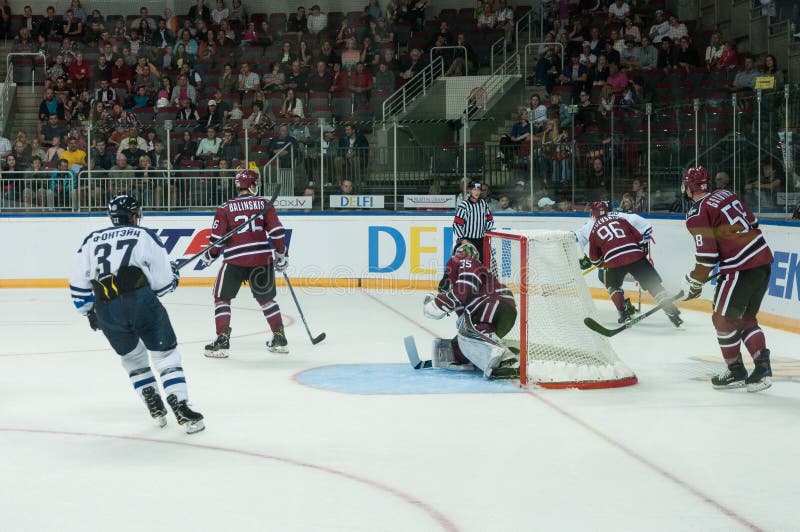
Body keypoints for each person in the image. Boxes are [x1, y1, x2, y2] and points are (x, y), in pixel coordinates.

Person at [68, 195, 204, 433]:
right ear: (134, 216)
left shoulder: (91, 240)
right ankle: (180, 405)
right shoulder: (143, 235)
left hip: (106, 309)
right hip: (140, 302)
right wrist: (174, 276)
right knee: (165, 355)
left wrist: (89, 312)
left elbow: (78, 284)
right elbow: (163, 284)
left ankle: (154, 405)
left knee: (133, 359)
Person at [681, 167, 774, 392]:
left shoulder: (697, 212)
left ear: (689, 187)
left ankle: (736, 371)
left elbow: (707, 256)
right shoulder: (726, 194)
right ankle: (761, 369)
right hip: (762, 260)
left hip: (740, 267)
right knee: (745, 318)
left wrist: (695, 281)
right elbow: (754, 223)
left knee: (722, 319)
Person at [202, 170, 289, 357]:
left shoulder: (225, 207)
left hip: (235, 259)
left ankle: (222, 341)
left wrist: (210, 255)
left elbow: (217, 240)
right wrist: (281, 254)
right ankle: (279, 338)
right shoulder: (264, 204)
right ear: (252, 185)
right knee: (266, 299)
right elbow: (277, 232)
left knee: (221, 298)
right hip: (261, 259)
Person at [422, 239, 518, 379]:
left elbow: (465, 288)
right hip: (497, 310)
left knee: (473, 333)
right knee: (462, 344)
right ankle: (492, 351)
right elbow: (464, 308)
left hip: (495, 304)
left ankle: (507, 360)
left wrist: (438, 304)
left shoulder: (464, 260)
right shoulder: (467, 273)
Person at [579, 201, 682, 326]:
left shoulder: (593, 230)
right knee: (653, 284)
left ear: (593, 214)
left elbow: (594, 258)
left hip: (613, 261)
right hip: (636, 255)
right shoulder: (621, 220)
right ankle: (671, 310)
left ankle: (624, 313)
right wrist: (635, 251)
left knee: (612, 286)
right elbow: (639, 238)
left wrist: (602, 264)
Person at [452, 181, 494, 262]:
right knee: (460, 264)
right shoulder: (464, 205)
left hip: (481, 241)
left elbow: (490, 219)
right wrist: (462, 239)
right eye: (474, 189)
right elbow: (456, 224)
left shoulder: (484, 204)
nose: (477, 192)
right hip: (467, 241)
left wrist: (486, 232)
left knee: (486, 264)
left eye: (478, 190)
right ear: (469, 190)